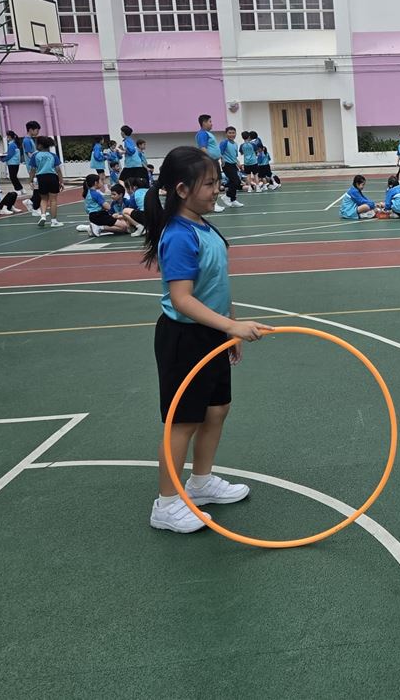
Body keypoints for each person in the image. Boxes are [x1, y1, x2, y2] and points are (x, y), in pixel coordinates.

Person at [141, 146, 270, 533]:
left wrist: (230, 326)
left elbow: (217, 283)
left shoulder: (203, 225)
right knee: (182, 421)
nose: (218, 189)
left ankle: (199, 483)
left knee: (216, 410)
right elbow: (182, 299)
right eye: (210, 183)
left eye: (217, 182)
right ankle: (166, 505)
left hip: (212, 333)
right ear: (182, 189)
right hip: (184, 337)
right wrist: (231, 326)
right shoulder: (179, 236)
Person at [28, 135, 65, 228]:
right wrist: (61, 181)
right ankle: (54, 221)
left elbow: (33, 169)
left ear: (40, 145)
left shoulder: (35, 155)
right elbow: (58, 169)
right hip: (52, 178)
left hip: (41, 178)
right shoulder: (53, 155)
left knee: (43, 199)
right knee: (53, 200)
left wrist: (30, 180)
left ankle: (43, 216)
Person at [81, 172, 131, 237]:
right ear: (96, 183)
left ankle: (95, 229)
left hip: (92, 216)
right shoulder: (96, 194)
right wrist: (109, 208)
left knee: (120, 226)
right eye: (100, 180)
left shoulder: (88, 193)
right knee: (124, 227)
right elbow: (107, 206)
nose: (102, 182)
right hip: (100, 215)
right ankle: (99, 228)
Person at [218, 127, 245, 208]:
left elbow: (235, 156)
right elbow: (219, 152)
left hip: (233, 165)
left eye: (233, 133)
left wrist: (238, 164)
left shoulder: (235, 144)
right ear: (226, 134)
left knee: (236, 181)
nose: (231, 134)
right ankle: (226, 196)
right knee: (235, 181)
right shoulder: (224, 143)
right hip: (227, 165)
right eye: (229, 133)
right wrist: (222, 160)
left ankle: (233, 200)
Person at [21, 121, 42, 215]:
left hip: (35, 166)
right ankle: (35, 208)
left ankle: (31, 202)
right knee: (37, 188)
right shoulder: (26, 140)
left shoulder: (30, 140)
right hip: (32, 167)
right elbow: (29, 154)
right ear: (30, 130)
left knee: (38, 188)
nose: (37, 132)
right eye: (36, 130)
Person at [2, 130, 24, 194]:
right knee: (14, 177)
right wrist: (5, 153)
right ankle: (21, 189)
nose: (7, 138)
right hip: (15, 163)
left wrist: (3, 159)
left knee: (12, 177)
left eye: (7, 136)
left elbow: (10, 155)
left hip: (12, 163)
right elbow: (10, 153)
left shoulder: (12, 144)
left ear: (9, 137)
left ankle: (18, 189)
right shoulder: (14, 144)